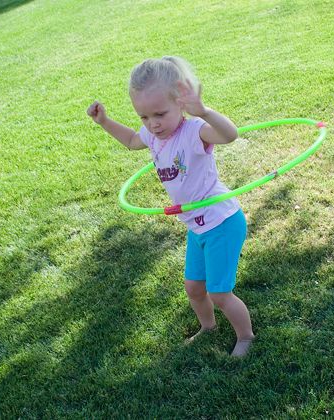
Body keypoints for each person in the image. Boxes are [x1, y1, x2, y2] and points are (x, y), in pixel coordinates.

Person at [86, 56, 255, 357]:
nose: (153, 124)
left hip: (221, 222)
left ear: (181, 102)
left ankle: (245, 337)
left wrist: (203, 110)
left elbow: (230, 135)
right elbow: (131, 141)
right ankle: (208, 327)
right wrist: (105, 122)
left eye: (160, 114)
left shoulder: (195, 131)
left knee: (219, 292)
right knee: (193, 288)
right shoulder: (153, 135)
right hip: (196, 225)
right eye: (144, 117)